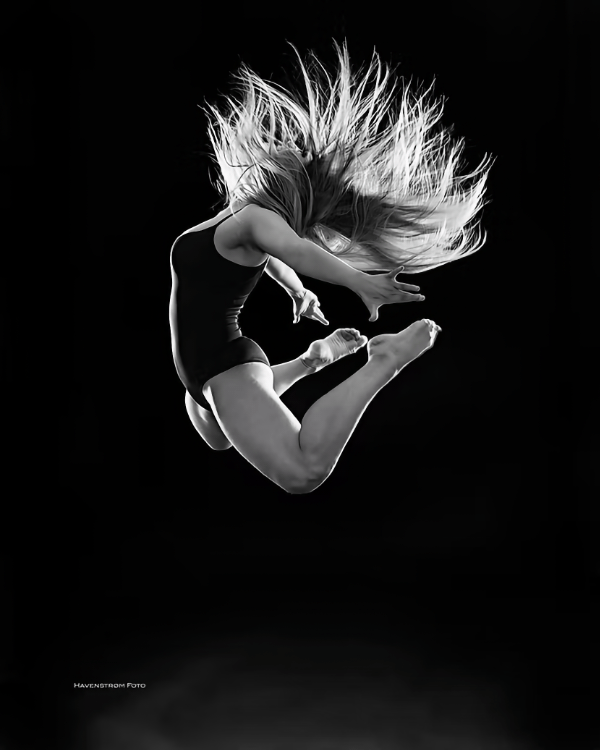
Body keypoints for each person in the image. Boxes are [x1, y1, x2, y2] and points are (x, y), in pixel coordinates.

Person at [169, 40, 493, 494]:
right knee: (221, 440)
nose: (284, 148)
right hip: (201, 381)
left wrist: (359, 281)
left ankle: (385, 360)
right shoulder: (241, 214)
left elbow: (294, 251)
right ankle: (311, 361)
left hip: (224, 365)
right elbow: (278, 258)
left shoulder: (257, 219)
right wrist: (297, 291)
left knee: (303, 473)